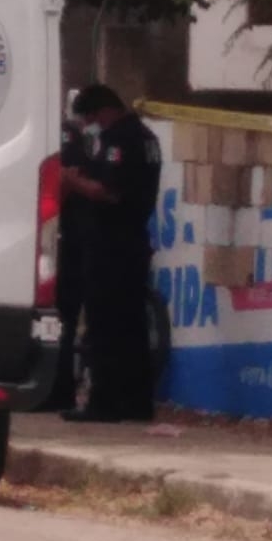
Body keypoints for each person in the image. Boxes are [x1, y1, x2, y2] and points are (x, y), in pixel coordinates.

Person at [61, 84, 162, 423]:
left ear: (103, 111)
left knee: (104, 325)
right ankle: (136, 403)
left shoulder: (120, 139)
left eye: (91, 118)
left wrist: (71, 181)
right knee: (131, 326)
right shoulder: (147, 137)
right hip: (132, 242)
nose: (92, 125)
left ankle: (103, 402)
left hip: (111, 245)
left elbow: (109, 191)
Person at [36, 118, 91, 412]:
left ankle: (57, 391)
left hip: (61, 235)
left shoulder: (62, 132)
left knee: (60, 318)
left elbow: (68, 177)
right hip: (42, 234)